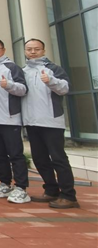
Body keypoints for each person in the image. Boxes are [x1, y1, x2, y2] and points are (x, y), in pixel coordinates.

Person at [22, 38, 78, 209]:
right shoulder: (23, 71)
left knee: (58, 159)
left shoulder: (54, 69)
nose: (33, 52)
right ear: (25, 51)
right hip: (31, 122)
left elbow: (65, 89)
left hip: (51, 122)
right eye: (29, 49)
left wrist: (51, 81)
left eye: (36, 49)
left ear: (43, 51)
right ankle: (51, 190)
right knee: (39, 159)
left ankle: (69, 195)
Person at [0, 38, 30, 204]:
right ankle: (5, 183)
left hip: (10, 119)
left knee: (15, 154)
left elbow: (23, 90)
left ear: (3, 50)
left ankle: (21, 187)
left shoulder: (12, 67)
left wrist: (9, 85)